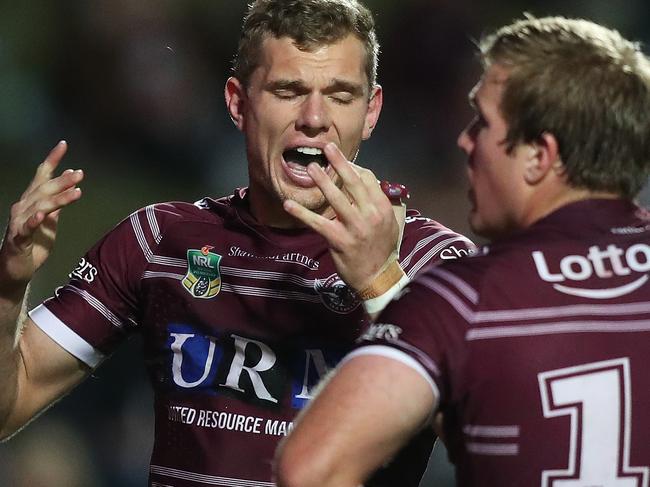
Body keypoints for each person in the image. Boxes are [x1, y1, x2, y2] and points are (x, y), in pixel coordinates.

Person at [0, 1, 474, 486]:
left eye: (340, 95)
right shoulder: (158, 241)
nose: (314, 117)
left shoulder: (432, 261)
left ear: (370, 111)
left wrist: (380, 283)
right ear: (238, 103)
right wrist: (10, 288)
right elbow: (8, 405)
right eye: (288, 91)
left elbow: (491, 429)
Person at [275, 14, 650, 487]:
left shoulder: (464, 298)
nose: (465, 140)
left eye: (482, 121)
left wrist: (380, 282)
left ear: (540, 156)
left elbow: (310, 469)